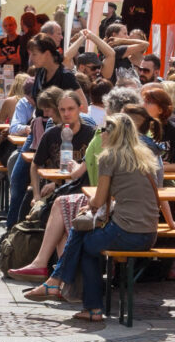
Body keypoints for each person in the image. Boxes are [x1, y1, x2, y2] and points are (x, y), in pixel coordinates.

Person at [23, 114, 163, 320]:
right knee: (83, 236)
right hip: (149, 233)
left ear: (113, 134)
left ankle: (82, 300)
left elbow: (98, 200)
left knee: (85, 242)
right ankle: (58, 284)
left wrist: (87, 209)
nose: (100, 134)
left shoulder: (109, 157)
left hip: (127, 232)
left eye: (104, 130)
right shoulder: (144, 156)